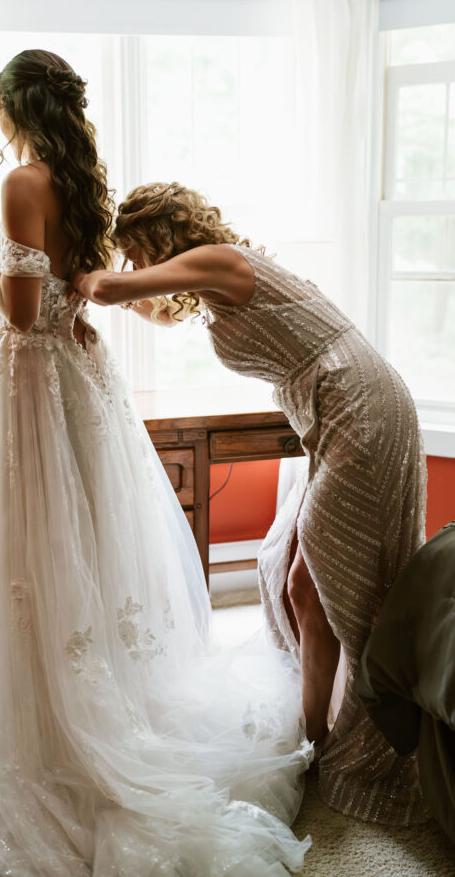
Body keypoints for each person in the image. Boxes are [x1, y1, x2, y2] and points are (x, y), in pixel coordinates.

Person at [0, 53, 312, 877]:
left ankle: (40, 713)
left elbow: (25, 311)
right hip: (82, 371)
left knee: (26, 533)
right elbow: (76, 293)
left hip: (32, 377)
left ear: (10, 108)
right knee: (85, 528)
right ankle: (93, 677)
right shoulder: (82, 184)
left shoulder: (21, 183)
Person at [72, 181, 428, 827]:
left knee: (317, 581)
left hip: (358, 406)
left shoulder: (222, 261)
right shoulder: (213, 279)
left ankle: (329, 737)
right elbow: (148, 307)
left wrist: (56, 261)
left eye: (135, 253)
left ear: (160, 239)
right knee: (298, 577)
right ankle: (319, 724)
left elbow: (108, 290)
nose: (132, 268)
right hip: (333, 410)